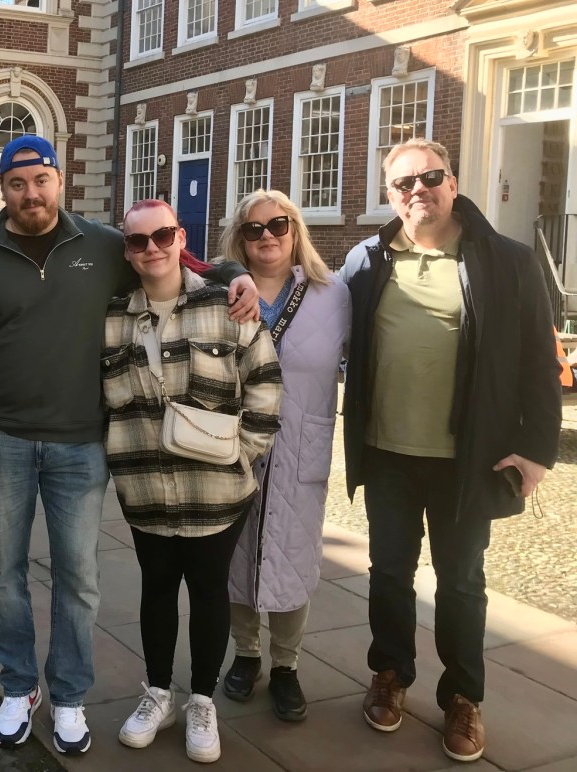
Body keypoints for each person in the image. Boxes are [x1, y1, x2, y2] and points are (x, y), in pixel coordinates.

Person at [0, 135, 259, 756]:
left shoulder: (107, 246)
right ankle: (17, 685)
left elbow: (174, 261)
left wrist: (237, 272)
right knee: (3, 575)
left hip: (81, 443)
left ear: (59, 181)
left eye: (41, 181)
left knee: (78, 576)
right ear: (1, 188)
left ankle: (68, 695)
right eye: (16, 183)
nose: (30, 193)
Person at [341, 138, 560, 763]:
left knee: (462, 583)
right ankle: (390, 674)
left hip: (469, 458)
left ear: (453, 181)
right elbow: (303, 292)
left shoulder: (507, 262)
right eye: (403, 183)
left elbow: (538, 368)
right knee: (388, 573)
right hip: (387, 452)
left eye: (430, 177)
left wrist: (536, 451)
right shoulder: (368, 259)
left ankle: (464, 697)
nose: (418, 190)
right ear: (389, 195)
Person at [104, 199, 282, 763]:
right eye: (138, 241)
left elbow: (265, 381)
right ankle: (158, 692)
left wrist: (242, 455)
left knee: (208, 595)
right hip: (145, 488)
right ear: (127, 251)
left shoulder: (226, 304)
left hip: (217, 491)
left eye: (162, 236)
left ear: (181, 237)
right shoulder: (111, 317)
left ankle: (201, 700)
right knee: (155, 591)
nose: (151, 248)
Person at [216, 190, 350, 722]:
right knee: (237, 555)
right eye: (254, 229)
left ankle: (287, 664)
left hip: (300, 446)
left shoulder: (334, 295)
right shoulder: (220, 290)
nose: (267, 236)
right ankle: (246, 655)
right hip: (233, 446)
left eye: (278, 224)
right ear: (240, 239)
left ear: (295, 230)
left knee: (294, 555)